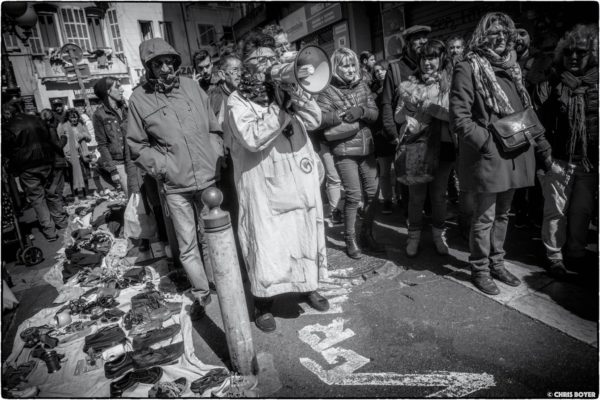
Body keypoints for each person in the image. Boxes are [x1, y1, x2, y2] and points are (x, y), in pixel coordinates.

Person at [224, 30, 329, 333]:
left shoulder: (283, 90)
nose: (267, 64)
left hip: (298, 179)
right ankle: (263, 303)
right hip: (264, 187)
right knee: (268, 244)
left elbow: (313, 120)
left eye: (271, 58)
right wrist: (279, 107)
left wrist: (297, 95)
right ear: (246, 66)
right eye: (260, 59)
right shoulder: (237, 101)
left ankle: (309, 286)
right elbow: (252, 137)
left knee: (304, 233)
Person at [449, 12, 553, 296]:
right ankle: (479, 268)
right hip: (489, 155)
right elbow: (460, 119)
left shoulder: (513, 67)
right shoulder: (467, 67)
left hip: (514, 152)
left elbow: (524, 110)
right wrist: (487, 143)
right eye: (494, 33)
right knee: (484, 217)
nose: (501, 38)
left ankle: (497, 263)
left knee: (504, 214)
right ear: (483, 35)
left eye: (505, 34)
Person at [127, 38, 222, 319]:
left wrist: (215, 153)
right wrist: (163, 167)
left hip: (207, 178)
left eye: (169, 62)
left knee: (211, 237)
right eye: (158, 64)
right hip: (175, 184)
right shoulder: (139, 99)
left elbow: (213, 127)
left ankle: (219, 281)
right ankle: (202, 292)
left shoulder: (192, 87)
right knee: (188, 243)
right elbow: (136, 145)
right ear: (149, 68)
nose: (166, 68)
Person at [534, 24, 598, 278]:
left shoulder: (596, 83)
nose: (573, 56)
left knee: (581, 212)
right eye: (569, 51)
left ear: (591, 54)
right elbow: (536, 123)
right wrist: (547, 156)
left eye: (580, 52)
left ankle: (577, 253)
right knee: (555, 212)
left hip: (590, 163)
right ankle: (554, 257)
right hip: (559, 161)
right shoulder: (552, 84)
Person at [317, 47, 383, 259]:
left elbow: (375, 113)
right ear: (336, 67)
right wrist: (342, 115)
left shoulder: (363, 85)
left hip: (367, 148)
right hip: (344, 150)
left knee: (373, 194)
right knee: (354, 196)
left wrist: (362, 111)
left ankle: (367, 234)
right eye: (345, 65)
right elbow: (320, 119)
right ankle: (350, 238)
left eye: (353, 64)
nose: (350, 69)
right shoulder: (326, 90)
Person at [395, 40, 455, 257]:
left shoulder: (450, 83)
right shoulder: (409, 84)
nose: (427, 62)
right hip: (418, 146)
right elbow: (398, 116)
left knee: (439, 195)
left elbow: (453, 115)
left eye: (432, 57)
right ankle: (413, 237)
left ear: (441, 59)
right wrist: (409, 108)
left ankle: (439, 236)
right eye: (424, 58)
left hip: (444, 146)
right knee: (416, 196)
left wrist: (428, 107)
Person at [381, 25, 431, 217]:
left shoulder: (430, 65)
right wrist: (393, 135)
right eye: (418, 39)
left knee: (430, 181)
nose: (423, 42)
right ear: (408, 43)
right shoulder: (395, 68)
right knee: (408, 182)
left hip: (430, 134)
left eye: (425, 38)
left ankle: (429, 219)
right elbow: (386, 104)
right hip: (405, 136)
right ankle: (412, 224)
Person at [2, 101, 68, 241]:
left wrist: (13, 168)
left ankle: (50, 231)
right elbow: (50, 138)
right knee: (52, 193)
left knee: (38, 199)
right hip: (46, 162)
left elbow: (8, 150)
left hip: (27, 166)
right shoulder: (37, 120)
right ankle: (61, 222)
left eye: (5, 113)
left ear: (9, 113)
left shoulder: (8, 127)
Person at [93, 76, 130, 196]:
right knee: (134, 199)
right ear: (107, 91)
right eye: (117, 86)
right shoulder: (99, 115)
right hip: (120, 163)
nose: (122, 89)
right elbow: (102, 145)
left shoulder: (126, 108)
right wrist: (113, 170)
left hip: (136, 159)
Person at [371, 59, 397, 215]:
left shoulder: (396, 88)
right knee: (385, 172)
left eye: (382, 69)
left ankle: (401, 197)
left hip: (397, 134)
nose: (379, 73)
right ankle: (387, 199)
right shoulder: (372, 92)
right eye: (376, 71)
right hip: (381, 137)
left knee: (400, 171)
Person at [58, 109, 92, 201]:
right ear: (67, 117)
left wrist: (82, 135)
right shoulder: (62, 126)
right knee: (73, 175)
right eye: (72, 118)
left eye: (76, 117)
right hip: (70, 154)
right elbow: (59, 140)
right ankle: (76, 195)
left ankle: (86, 193)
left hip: (83, 152)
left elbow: (89, 138)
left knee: (85, 174)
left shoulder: (81, 124)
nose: (74, 120)